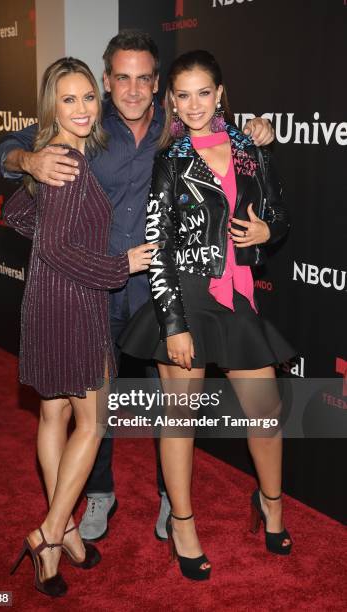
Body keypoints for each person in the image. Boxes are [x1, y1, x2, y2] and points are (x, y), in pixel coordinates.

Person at [0, 30, 275, 542]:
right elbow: (13, 144)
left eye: (143, 78)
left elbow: (222, 127)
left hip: (157, 293)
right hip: (94, 290)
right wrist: (28, 162)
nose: (131, 90)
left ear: (157, 85)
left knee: (166, 400)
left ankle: (173, 500)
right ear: (106, 81)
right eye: (121, 78)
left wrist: (257, 128)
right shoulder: (85, 123)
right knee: (93, 408)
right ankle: (97, 495)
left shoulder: (175, 127)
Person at [119, 50, 294, 581]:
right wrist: (173, 324)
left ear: (221, 94)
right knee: (180, 424)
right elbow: (159, 243)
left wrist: (268, 232)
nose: (194, 105)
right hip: (186, 296)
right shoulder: (169, 161)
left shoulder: (248, 147)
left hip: (236, 298)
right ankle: (184, 524)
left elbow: (277, 213)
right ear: (171, 100)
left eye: (204, 93)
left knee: (265, 415)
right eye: (183, 95)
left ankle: (271, 504)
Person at [5, 57, 153, 597]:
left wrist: (32, 172)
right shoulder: (65, 161)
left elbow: (19, 216)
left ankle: (64, 526)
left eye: (89, 96)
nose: (83, 108)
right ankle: (48, 533)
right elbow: (57, 245)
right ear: (52, 107)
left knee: (54, 414)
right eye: (68, 100)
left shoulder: (54, 158)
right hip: (74, 303)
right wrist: (123, 265)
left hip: (44, 300)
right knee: (91, 421)